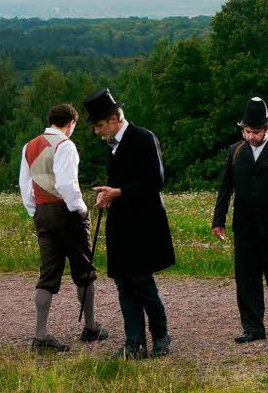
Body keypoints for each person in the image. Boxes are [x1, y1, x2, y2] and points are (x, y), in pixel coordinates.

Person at [83, 88, 175, 358]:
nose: (97, 132)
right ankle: (133, 343)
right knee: (123, 284)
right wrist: (107, 196)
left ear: (114, 118)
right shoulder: (113, 145)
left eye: (99, 125)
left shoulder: (144, 138)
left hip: (144, 224)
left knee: (143, 283)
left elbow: (157, 181)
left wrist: (119, 192)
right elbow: (121, 181)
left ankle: (161, 336)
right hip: (120, 224)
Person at [212, 97, 268, 343]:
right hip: (244, 227)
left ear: (267, 129)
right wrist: (218, 220)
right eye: (246, 131)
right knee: (246, 277)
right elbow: (225, 189)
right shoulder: (235, 152)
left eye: (255, 131)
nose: (250, 136)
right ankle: (253, 327)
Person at [19, 103, 107, 351]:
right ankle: (90, 327)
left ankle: (40, 336)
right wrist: (82, 210)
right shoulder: (65, 145)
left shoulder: (30, 146)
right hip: (67, 212)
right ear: (71, 123)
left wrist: (35, 211)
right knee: (84, 270)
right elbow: (68, 184)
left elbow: (25, 186)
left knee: (48, 273)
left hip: (42, 213)